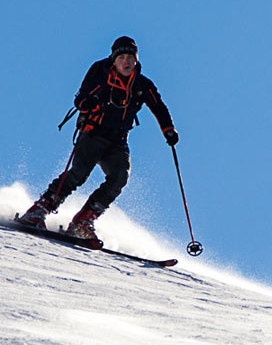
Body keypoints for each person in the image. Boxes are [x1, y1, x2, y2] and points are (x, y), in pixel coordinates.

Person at [17, 36, 178, 245]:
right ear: (114, 59)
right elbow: (81, 97)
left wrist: (168, 130)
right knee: (79, 175)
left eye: (131, 57)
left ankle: (83, 222)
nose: (127, 62)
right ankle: (39, 210)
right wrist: (89, 102)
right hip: (93, 133)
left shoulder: (142, 84)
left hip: (118, 139)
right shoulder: (100, 72)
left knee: (119, 177)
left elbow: (159, 107)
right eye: (122, 57)